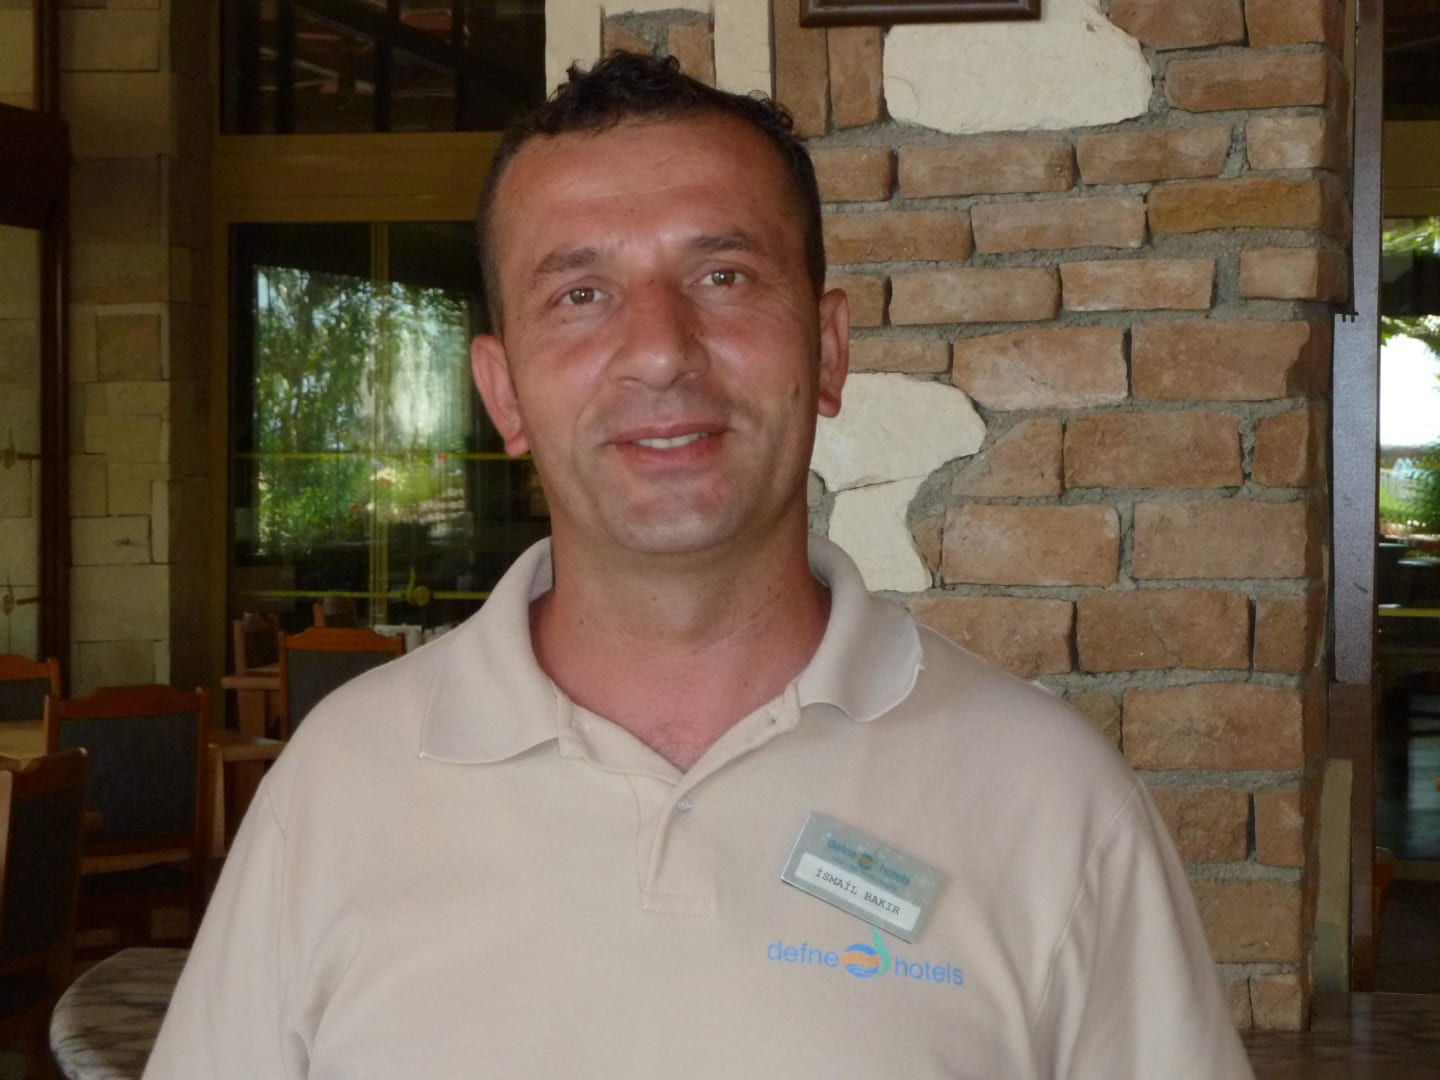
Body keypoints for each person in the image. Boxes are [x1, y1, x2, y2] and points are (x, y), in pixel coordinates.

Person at [146, 52, 1255, 1079]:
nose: (660, 351)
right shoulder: (338, 789)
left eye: (723, 275)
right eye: (580, 295)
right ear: (503, 392)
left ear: (826, 351)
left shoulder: (1053, 803)